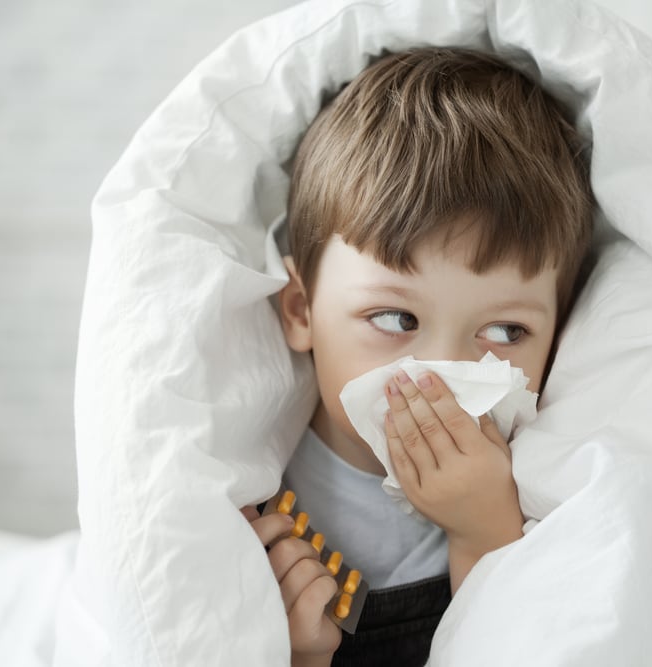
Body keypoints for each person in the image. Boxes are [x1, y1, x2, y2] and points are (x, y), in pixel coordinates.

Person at [242, 46, 594, 667]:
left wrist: (484, 534)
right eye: (396, 319)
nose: (440, 372)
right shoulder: (255, 483)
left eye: (505, 330)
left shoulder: (542, 488)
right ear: (301, 310)